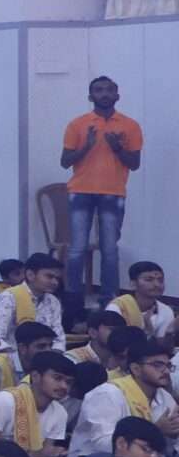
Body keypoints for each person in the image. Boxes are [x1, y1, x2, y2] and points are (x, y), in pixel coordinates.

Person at [61, 73, 143, 316]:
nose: (104, 94)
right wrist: (86, 146)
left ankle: (109, 303)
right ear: (90, 96)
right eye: (99, 90)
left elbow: (135, 164)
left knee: (109, 250)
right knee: (76, 250)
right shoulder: (77, 124)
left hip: (113, 192)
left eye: (109, 90)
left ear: (117, 95)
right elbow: (65, 161)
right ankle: (73, 302)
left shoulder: (130, 125)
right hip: (80, 192)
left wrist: (118, 148)